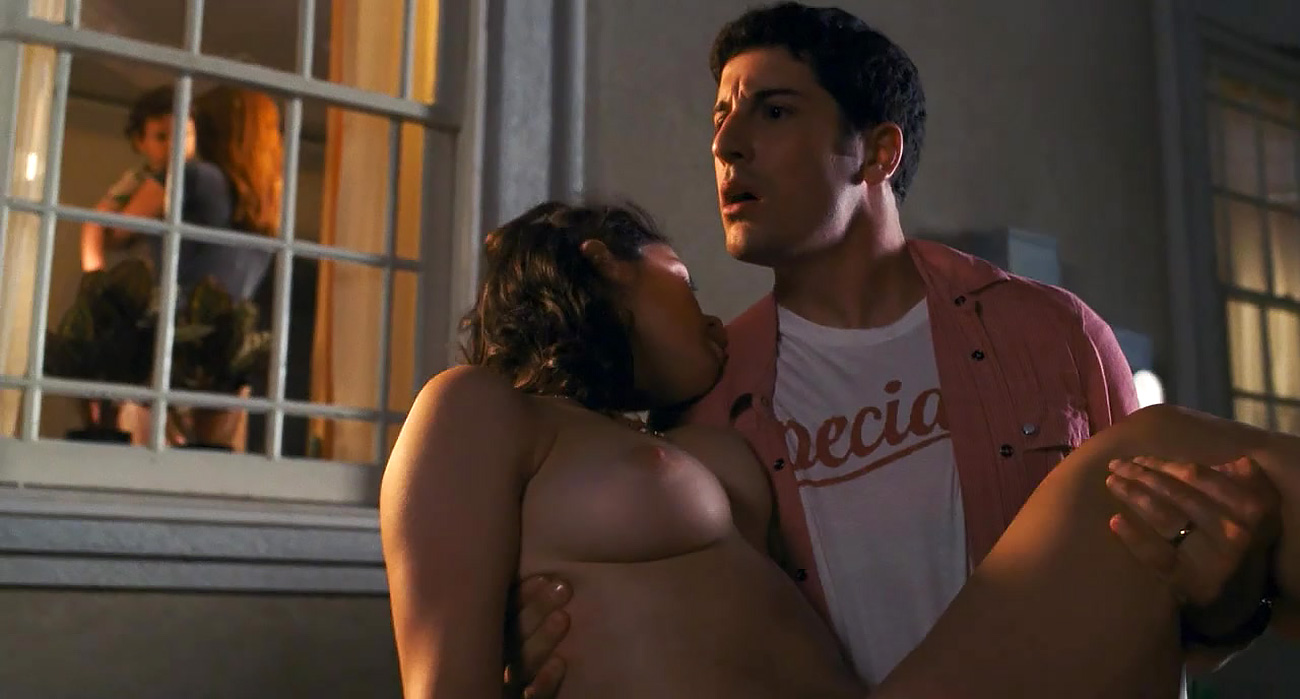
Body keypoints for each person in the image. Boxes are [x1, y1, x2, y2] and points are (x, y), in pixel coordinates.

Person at [509, 4, 1285, 695]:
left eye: (772, 111)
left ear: (877, 153)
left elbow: (1157, 621)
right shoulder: (708, 403)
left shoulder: (1053, 334)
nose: (727, 143)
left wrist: (1231, 602)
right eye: (720, 117)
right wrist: (539, 637)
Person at [379, 200, 1299, 699]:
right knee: (1146, 449)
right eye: (684, 281)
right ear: (600, 260)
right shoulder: (475, 410)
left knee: (1149, 460)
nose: (709, 315)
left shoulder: (699, 433)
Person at [79, 85, 197, 274]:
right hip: (145, 268)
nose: (174, 145)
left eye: (185, 134)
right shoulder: (137, 178)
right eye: (161, 137)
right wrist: (94, 274)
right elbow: (95, 221)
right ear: (139, 142)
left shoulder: (198, 177)